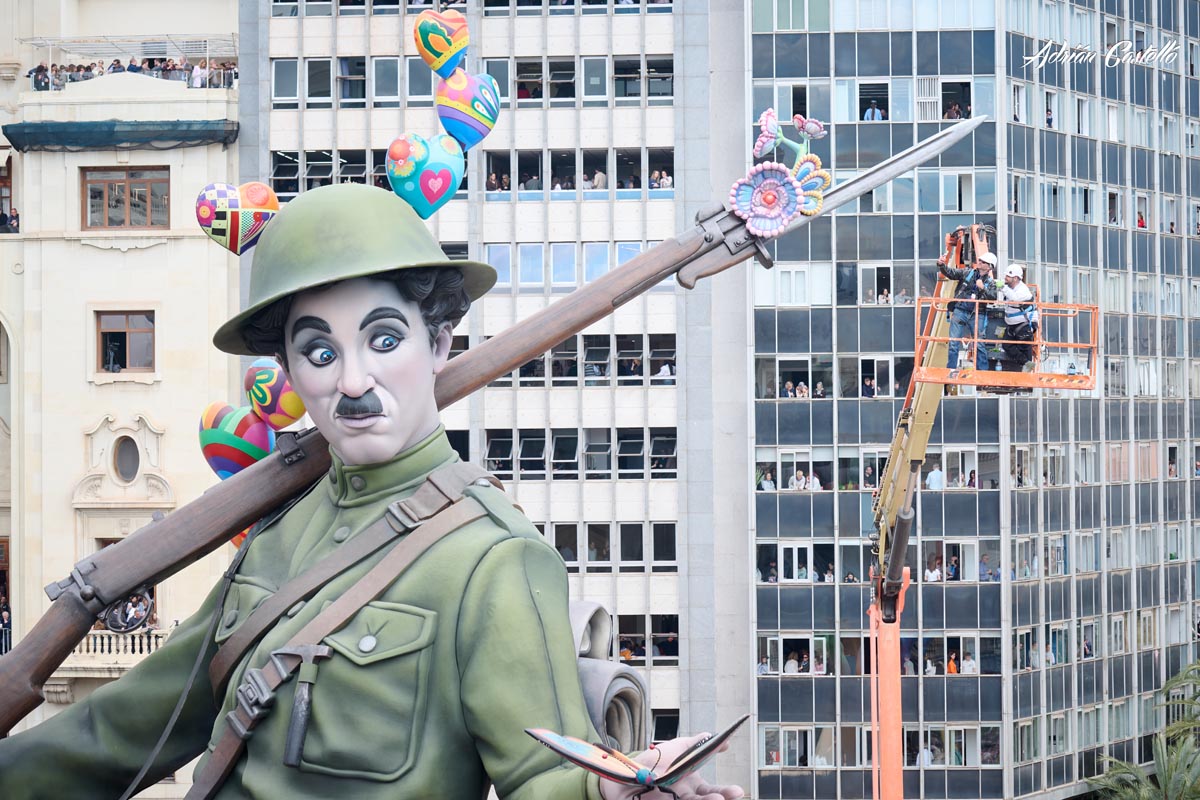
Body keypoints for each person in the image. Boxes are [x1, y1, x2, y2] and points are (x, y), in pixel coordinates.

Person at [0, 185, 745, 800]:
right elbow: (125, 729)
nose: (352, 381)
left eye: (383, 340)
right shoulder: (279, 532)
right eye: (319, 351)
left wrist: (616, 791)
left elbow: (545, 777)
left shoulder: (493, 559)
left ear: (439, 342)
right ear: (291, 373)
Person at [936, 249, 998, 371]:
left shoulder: (990, 283)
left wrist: (982, 288)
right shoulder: (967, 273)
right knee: (953, 343)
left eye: (983, 262)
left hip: (978, 314)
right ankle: (951, 370)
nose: (979, 262)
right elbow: (951, 273)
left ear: (989, 267)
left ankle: (982, 372)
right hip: (961, 310)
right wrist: (941, 265)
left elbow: (992, 299)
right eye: (980, 260)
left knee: (979, 344)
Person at [998, 264, 1039, 372]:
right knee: (1007, 345)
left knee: (1024, 346)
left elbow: (1015, 299)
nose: (1005, 278)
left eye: (1008, 276)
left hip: (1024, 324)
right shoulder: (1010, 288)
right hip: (1013, 324)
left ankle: (1027, 369)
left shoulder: (1023, 290)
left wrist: (1002, 288)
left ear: (1015, 278)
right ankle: (1026, 363)